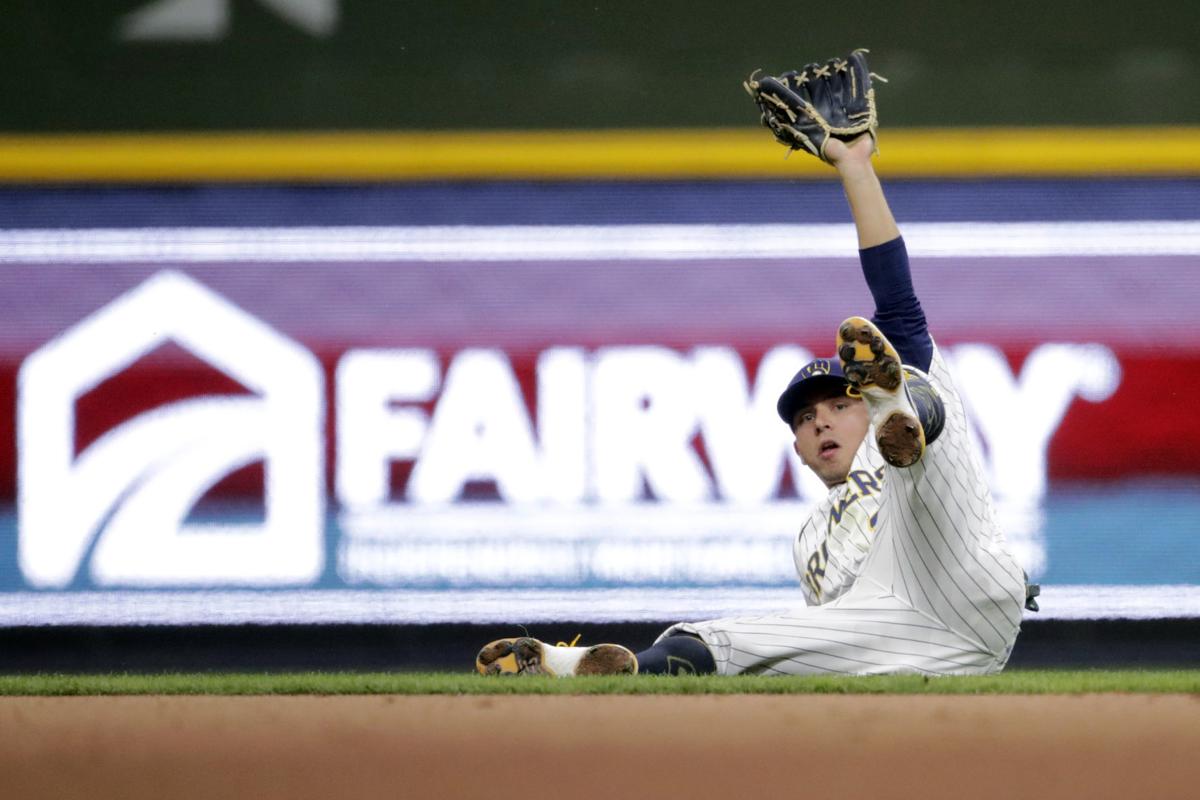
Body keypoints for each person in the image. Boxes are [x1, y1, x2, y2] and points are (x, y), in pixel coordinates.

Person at [476, 131, 1029, 677]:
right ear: (800, 452)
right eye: (806, 419)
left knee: (922, 415)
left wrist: (856, 167)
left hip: (960, 573)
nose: (821, 422)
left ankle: (897, 405)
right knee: (719, 641)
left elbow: (898, 304)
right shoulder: (810, 538)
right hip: (893, 636)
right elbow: (829, 635)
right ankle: (571, 667)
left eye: (839, 403)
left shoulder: (878, 456)